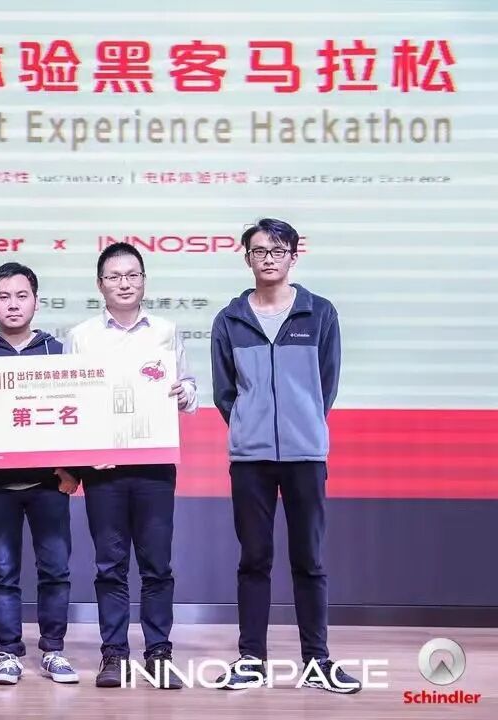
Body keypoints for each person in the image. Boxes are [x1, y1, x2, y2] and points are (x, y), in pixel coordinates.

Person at [210, 218, 358, 693]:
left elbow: (325, 385)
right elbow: (224, 393)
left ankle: (317, 661)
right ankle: (251, 659)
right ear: (247, 258)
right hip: (250, 459)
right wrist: (250, 426)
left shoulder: (320, 313)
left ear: (294, 256)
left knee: (309, 560)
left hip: (305, 455)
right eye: (259, 251)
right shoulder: (230, 320)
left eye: (278, 250)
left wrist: (303, 424)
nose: (268, 258)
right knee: (254, 560)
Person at [64, 242, 197, 689]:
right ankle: (114, 654)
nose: (124, 283)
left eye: (132, 275)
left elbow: (190, 390)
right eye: (114, 276)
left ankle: (159, 653)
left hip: (154, 464)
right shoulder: (81, 336)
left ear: (143, 280)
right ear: (100, 284)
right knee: (110, 566)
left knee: (157, 565)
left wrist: (184, 392)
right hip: (103, 469)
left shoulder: (166, 331)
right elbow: (69, 402)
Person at [0, 262, 80, 686]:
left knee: (56, 571)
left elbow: (80, 417)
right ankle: (8, 652)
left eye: (21, 296)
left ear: (36, 301)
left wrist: (73, 472)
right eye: (3, 296)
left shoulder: (58, 353)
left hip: (50, 484)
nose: (13, 304)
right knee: (3, 574)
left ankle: (54, 651)